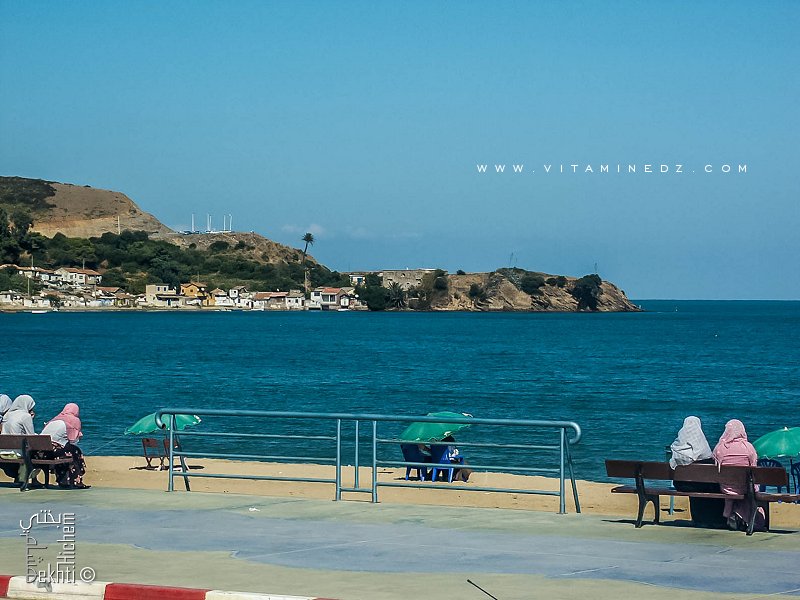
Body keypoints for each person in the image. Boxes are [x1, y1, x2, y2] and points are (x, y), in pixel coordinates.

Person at [669, 416, 726, 528]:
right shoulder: (703, 447)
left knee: (698, 484)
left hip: (682, 485)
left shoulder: (677, 446)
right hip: (701, 484)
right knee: (712, 486)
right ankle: (715, 519)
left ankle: (698, 518)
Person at [712, 419, 764, 531]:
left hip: (726, 488)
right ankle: (746, 518)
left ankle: (733, 515)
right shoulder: (748, 448)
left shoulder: (719, 448)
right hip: (745, 488)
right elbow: (754, 469)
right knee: (751, 488)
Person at [41, 403, 89, 489]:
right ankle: (76, 480)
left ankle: (63, 480)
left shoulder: (56, 418)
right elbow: (73, 440)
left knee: (67, 451)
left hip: (43, 452)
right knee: (76, 451)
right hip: (54, 452)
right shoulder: (74, 420)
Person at [0, 394, 37, 483]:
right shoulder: (25, 416)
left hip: (2, 453)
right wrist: (31, 419)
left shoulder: (7, 415)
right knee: (36, 452)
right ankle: (34, 480)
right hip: (17, 455)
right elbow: (31, 437)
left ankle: (19, 477)